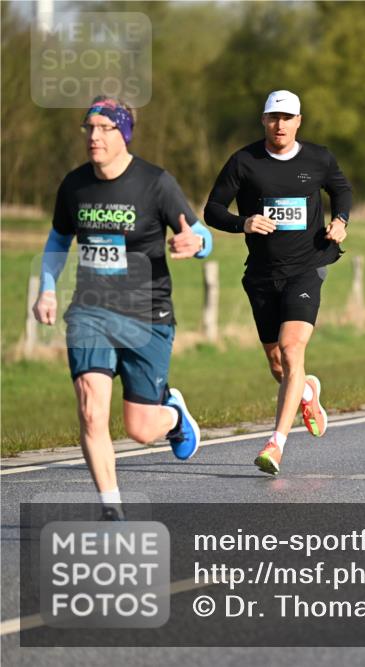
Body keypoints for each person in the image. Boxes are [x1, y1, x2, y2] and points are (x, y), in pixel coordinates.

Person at [33, 97, 214, 520]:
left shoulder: (155, 183)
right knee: (91, 410)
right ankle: (111, 508)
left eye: (103, 128)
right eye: (89, 129)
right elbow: (59, 240)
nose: (94, 137)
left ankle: (172, 414)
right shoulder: (75, 185)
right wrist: (46, 289)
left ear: (123, 134)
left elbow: (200, 233)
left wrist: (197, 244)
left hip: (147, 314)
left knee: (140, 429)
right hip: (90, 312)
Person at [204, 90, 352, 475]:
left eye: (287, 118)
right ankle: (306, 391)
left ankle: (276, 444)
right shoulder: (244, 161)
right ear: (264, 120)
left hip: (307, 266)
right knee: (278, 364)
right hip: (262, 274)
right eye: (273, 118)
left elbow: (342, 189)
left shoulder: (317, 158)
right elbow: (213, 209)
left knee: (291, 348)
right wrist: (243, 223)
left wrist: (341, 221)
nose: (280, 125)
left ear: (299, 120)